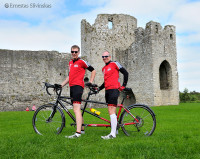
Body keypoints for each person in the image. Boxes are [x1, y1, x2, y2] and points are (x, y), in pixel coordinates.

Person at [61, 45, 96, 138]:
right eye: (72, 52)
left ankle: (78, 133)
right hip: (71, 87)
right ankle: (82, 130)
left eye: (76, 52)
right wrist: (61, 85)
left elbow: (93, 70)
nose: (74, 53)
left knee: (76, 109)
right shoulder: (70, 63)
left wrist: (91, 82)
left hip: (78, 87)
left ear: (79, 52)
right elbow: (69, 76)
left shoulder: (82, 62)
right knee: (77, 109)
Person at [98, 51, 128, 139]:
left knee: (111, 110)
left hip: (114, 89)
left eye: (106, 56)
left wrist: (123, 85)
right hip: (107, 90)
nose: (104, 58)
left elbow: (125, 73)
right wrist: (99, 89)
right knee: (111, 111)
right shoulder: (103, 69)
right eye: (103, 56)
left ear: (110, 57)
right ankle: (115, 130)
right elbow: (105, 82)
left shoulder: (115, 64)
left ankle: (112, 134)